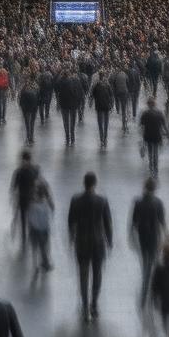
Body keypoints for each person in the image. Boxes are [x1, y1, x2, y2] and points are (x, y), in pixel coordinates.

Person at [68, 171, 113, 322]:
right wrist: (110, 241)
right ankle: (94, 304)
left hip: (82, 242)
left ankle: (84, 304)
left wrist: (71, 238)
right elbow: (108, 223)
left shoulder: (76, 200)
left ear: (84, 183)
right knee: (97, 273)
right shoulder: (102, 201)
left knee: (83, 274)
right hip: (98, 242)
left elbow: (71, 222)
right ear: (95, 183)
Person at [131, 178, 166, 308]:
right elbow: (162, 222)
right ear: (155, 189)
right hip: (154, 237)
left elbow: (134, 222)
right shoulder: (158, 203)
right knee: (154, 263)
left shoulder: (138, 202)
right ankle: (154, 293)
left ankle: (144, 292)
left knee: (145, 264)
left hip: (142, 237)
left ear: (144, 187)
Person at [27, 183, 54, 276]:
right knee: (44, 246)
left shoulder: (32, 205)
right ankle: (45, 263)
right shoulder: (47, 204)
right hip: (45, 229)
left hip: (34, 229)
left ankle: (36, 265)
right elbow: (50, 216)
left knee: (34, 248)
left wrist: (31, 226)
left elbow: (30, 218)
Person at [138, 98, 169, 176]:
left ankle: (151, 165)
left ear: (148, 104)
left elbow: (141, 125)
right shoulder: (160, 113)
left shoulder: (145, 113)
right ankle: (156, 166)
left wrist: (142, 135)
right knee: (155, 151)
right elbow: (164, 125)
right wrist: (167, 133)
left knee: (150, 151)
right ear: (155, 104)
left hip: (148, 135)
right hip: (157, 135)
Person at [92, 70, 116, 149]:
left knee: (100, 123)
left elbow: (93, 95)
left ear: (99, 76)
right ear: (104, 76)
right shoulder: (108, 85)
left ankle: (101, 138)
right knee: (106, 122)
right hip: (106, 105)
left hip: (99, 106)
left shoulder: (96, 85)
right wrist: (112, 105)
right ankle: (105, 138)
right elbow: (111, 95)